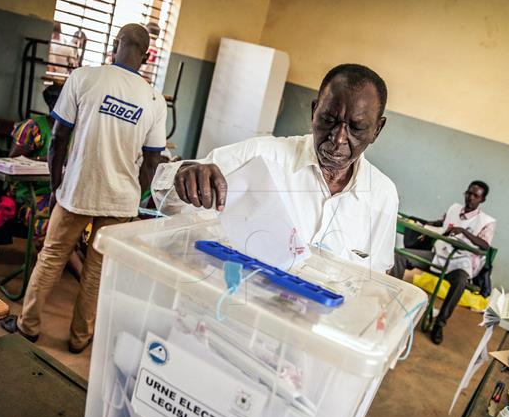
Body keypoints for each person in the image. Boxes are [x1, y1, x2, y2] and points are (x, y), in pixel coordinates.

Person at [3, 23, 167, 354]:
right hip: (120, 200)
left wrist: (56, 183)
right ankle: (79, 338)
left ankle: (28, 326)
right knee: (96, 271)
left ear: (115, 44)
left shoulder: (84, 78)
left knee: (51, 258)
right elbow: (152, 161)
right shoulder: (154, 99)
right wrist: (135, 199)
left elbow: (59, 136)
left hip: (77, 190)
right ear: (147, 56)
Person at [151, 63, 399, 274]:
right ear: (314, 112)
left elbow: (376, 281)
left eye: (356, 128)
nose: (338, 138)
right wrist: (183, 177)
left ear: (377, 129)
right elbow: (168, 202)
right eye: (328, 120)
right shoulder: (260, 156)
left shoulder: (382, 196)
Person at [390, 181, 496, 345]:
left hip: (461, 263)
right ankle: (391, 301)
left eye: (476, 195)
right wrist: (422, 224)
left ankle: (439, 324)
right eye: (469, 193)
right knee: (400, 256)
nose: (470, 197)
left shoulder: (486, 222)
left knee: (460, 282)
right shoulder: (454, 209)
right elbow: (442, 223)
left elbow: (484, 245)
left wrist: (462, 232)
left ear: (482, 200)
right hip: (440, 255)